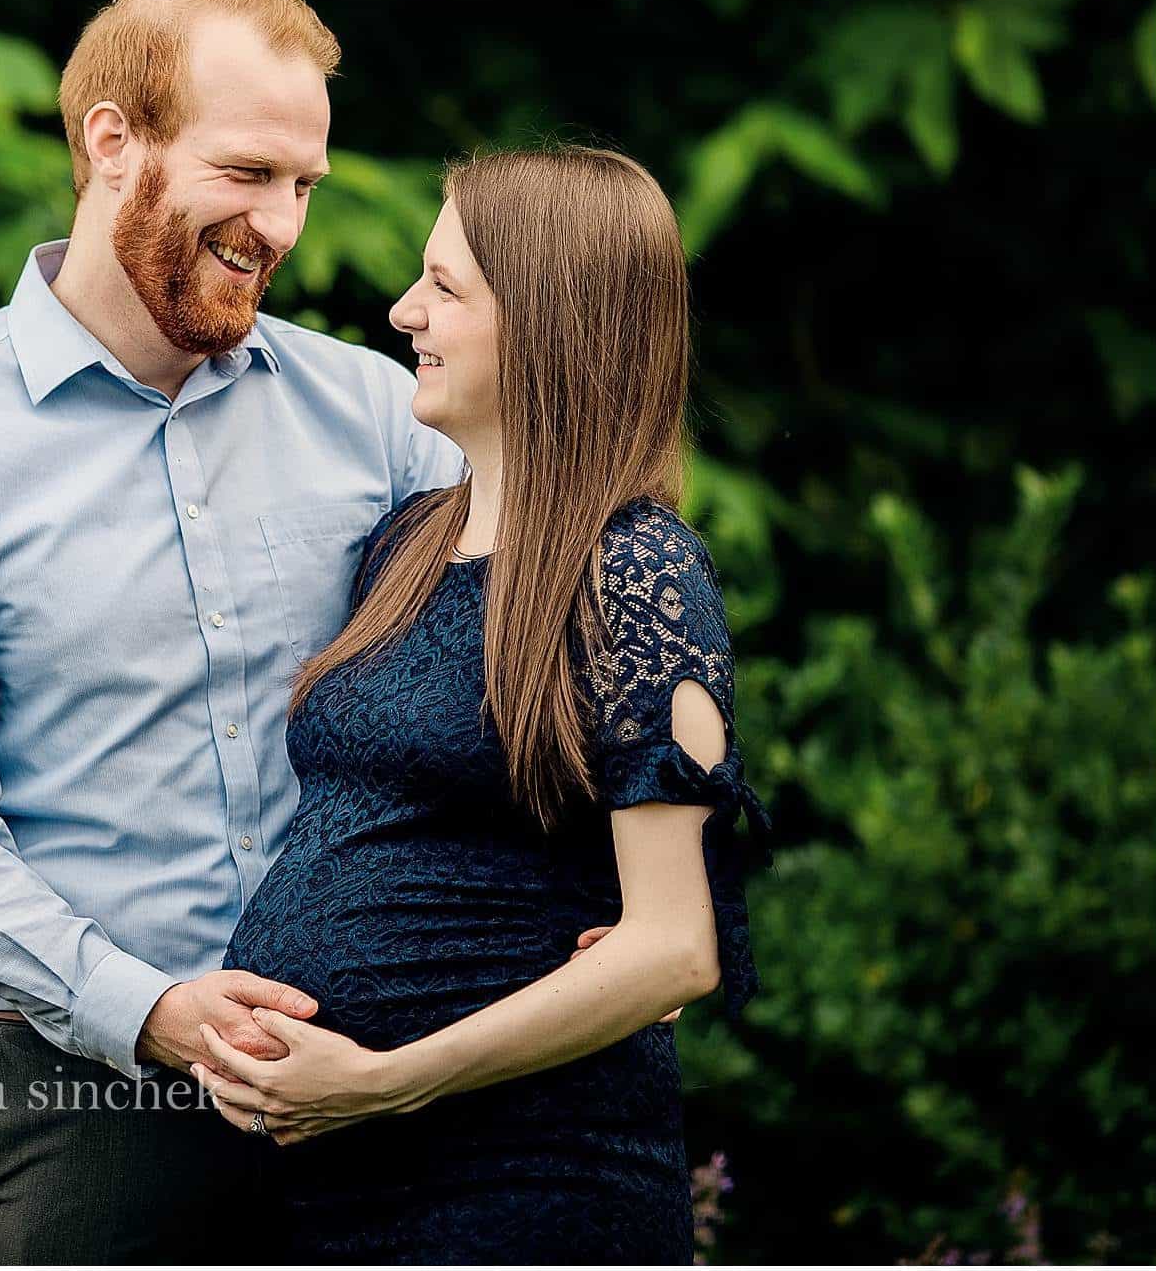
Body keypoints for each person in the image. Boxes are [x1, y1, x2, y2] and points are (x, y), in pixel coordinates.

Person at [0, 0, 636, 1263]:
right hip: (71, 1111)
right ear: (111, 142)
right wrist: (153, 1009)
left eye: (304, 183)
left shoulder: (380, 417)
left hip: (375, 1088)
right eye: (249, 171)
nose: (283, 223)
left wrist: (613, 881)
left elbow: (537, 651)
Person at [196, 145, 776, 1265]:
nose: (405, 308)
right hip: (319, 1180)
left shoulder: (638, 570)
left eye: (445, 287)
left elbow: (672, 948)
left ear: (551, 320)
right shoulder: (407, 544)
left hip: (519, 1176)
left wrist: (384, 1080)